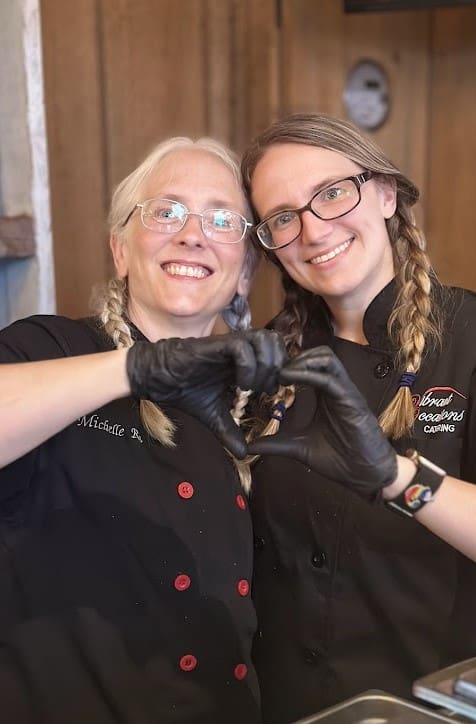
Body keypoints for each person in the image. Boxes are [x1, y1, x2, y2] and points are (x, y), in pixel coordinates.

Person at [239, 112, 476, 723]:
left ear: (387, 193)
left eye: (333, 192)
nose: (314, 230)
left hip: (424, 707)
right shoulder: (267, 359)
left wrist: (404, 480)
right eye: (282, 218)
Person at [0, 135, 291, 724]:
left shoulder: (262, 399)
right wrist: (137, 367)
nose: (192, 234)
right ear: (120, 250)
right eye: (167, 212)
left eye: (221, 219)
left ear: (244, 273)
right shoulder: (49, 349)